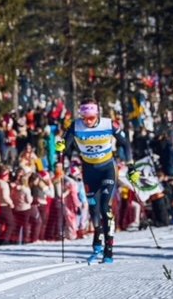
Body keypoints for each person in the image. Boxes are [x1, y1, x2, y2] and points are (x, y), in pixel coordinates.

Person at [57, 97, 133, 264]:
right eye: (85, 118)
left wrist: (131, 165)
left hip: (107, 169)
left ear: (97, 114)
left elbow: (125, 144)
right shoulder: (76, 126)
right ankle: (97, 244)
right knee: (93, 209)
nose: (88, 122)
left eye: (91, 118)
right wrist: (60, 154)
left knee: (105, 207)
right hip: (89, 171)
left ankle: (109, 250)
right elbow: (64, 144)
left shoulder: (109, 124)